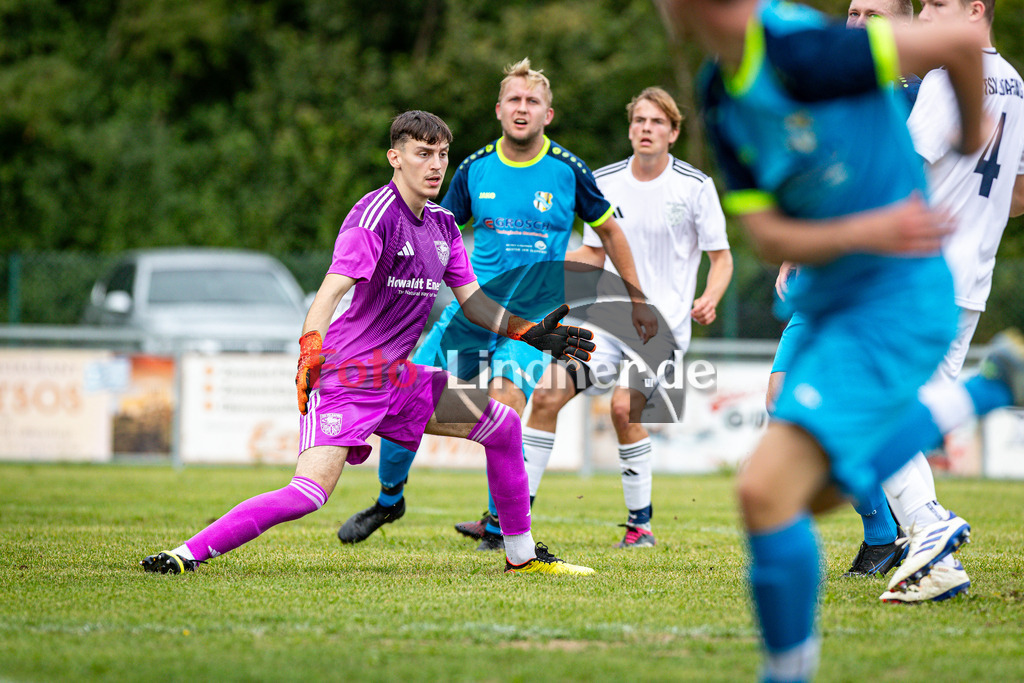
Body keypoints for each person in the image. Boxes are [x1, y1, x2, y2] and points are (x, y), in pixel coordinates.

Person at [658, 1, 1023, 680]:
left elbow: (957, 46)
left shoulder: (804, 50)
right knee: (815, 492)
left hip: (894, 299)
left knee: (765, 490)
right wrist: (856, 234)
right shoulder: (717, 87)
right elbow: (767, 235)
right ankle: (984, 391)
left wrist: (972, 134)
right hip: (835, 302)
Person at [139, 110, 598, 577]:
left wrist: (528, 331)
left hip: (399, 379)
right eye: (424, 154)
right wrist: (309, 353)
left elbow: (475, 303)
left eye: (442, 154)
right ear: (395, 158)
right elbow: (330, 292)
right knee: (308, 495)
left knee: (501, 426)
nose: (437, 165)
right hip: (350, 377)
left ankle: (521, 558)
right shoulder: (374, 215)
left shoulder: (442, 225)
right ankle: (185, 554)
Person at [336, 58, 658, 551]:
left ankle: (496, 520)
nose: (522, 108)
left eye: (532, 101)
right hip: (473, 310)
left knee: (506, 400)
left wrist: (636, 298)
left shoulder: (570, 170)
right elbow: (434, 226)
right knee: (402, 396)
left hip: (535, 317)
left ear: (548, 114)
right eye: (514, 99)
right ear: (499, 109)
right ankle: (389, 499)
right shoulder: (473, 168)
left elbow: (611, 230)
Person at [515, 86, 733, 548]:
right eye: (639, 121)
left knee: (622, 407)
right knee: (548, 396)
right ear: (630, 129)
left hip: (663, 325)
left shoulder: (695, 186)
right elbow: (594, 254)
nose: (646, 129)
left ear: (673, 132)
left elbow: (722, 257)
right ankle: (514, 517)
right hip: (606, 322)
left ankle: (640, 526)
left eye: (656, 122)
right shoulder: (604, 181)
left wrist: (711, 296)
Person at [876, 0, 1024, 603]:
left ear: (975, 9)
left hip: (917, 274)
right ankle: (934, 561)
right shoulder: (1017, 82)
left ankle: (927, 525)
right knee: (909, 407)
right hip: (972, 279)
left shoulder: (942, 78)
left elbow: (903, 171)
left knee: (873, 411)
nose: (927, 14)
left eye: (938, 4)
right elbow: (1017, 197)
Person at [767, 0, 919, 581]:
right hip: (824, 275)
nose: (858, 22)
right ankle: (883, 532)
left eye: (874, 14)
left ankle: (899, 531)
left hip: (881, 283)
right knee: (781, 397)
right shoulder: (828, 88)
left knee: (853, 413)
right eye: (853, 12)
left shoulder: (917, 99)